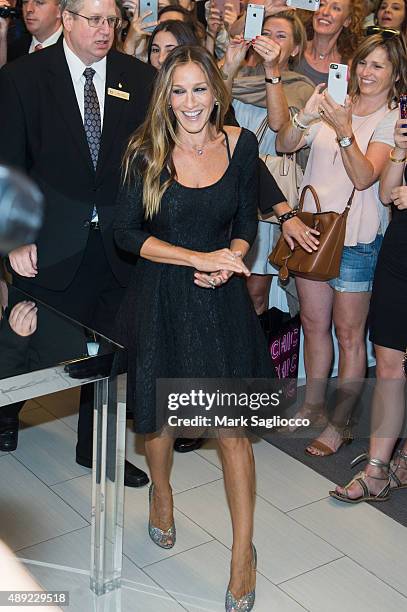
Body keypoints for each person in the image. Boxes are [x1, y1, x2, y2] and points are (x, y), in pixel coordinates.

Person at [114, 44, 276, 611]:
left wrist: (229, 258)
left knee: (232, 432)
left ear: (216, 89)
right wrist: (195, 259)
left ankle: (242, 553)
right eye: (178, 90)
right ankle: (161, 492)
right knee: (159, 422)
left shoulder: (241, 144)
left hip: (221, 300)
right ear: (166, 95)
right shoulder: (145, 150)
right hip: (161, 297)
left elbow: (244, 220)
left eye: (199, 89)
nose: (190, 102)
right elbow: (126, 233)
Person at [0, 0, 156, 488]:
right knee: (26, 339)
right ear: (66, 20)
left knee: (108, 352)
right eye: (94, 19)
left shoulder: (138, 77)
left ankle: (96, 446)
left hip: (116, 243)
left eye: (112, 20)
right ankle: (6, 414)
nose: (104, 30)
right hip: (45, 241)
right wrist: (14, 236)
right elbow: (9, 165)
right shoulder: (25, 78)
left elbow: (147, 162)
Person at [276, 33, 407, 455]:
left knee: (349, 335)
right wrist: (308, 114)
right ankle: (313, 404)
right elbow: (283, 145)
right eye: (363, 63)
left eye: (378, 66)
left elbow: (366, 177)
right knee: (314, 326)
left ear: (395, 74)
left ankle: (341, 420)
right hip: (310, 231)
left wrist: (345, 129)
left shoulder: (391, 119)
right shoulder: (331, 101)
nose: (367, 73)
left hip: (356, 239)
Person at [330, 103, 407, 503]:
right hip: (400, 252)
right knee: (389, 360)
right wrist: (397, 151)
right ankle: (377, 468)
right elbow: (385, 192)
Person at [220, 10, 315, 315]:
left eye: (281, 36)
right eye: (266, 33)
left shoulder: (301, 87)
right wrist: (229, 67)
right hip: (222, 181)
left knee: (254, 290)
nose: (270, 40)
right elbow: (212, 108)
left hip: (266, 192)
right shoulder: (236, 75)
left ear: (296, 48)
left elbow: (278, 126)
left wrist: (272, 69)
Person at [296, 0, 365, 86]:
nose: (325, 12)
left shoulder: (350, 67)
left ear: (347, 21)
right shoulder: (293, 50)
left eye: (335, 8)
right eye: (321, 5)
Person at [3, 0, 62, 65]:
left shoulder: (71, 49)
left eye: (39, 2)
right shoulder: (14, 48)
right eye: (25, 2)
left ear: (59, 10)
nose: (28, 9)